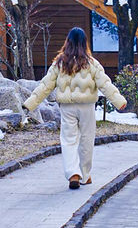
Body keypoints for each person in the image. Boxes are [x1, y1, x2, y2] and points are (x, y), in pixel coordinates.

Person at [22, 26, 127, 189]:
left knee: (69, 140)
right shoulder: (92, 63)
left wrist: (30, 103)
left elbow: (45, 85)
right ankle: (85, 175)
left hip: (67, 107)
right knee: (86, 139)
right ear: (85, 43)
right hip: (87, 107)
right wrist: (119, 101)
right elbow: (105, 84)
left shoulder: (59, 63)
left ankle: (73, 174)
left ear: (68, 42)